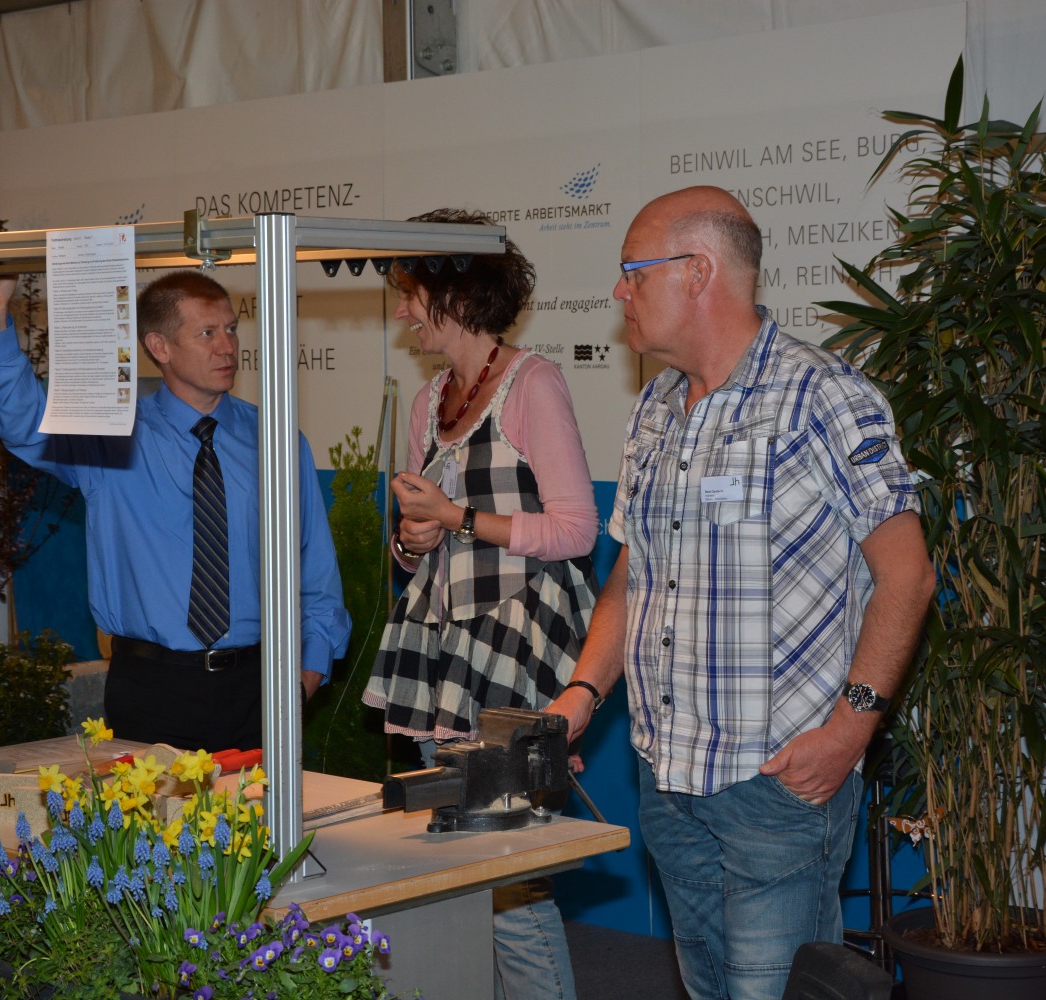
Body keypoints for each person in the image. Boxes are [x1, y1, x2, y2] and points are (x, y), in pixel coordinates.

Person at [547, 186, 935, 1000]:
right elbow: (634, 573)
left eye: (633, 272)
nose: (619, 292)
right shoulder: (654, 408)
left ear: (698, 272)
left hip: (777, 787)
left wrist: (850, 731)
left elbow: (908, 574)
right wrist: (584, 691)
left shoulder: (821, 396)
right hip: (667, 780)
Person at [362, 208, 599, 1000]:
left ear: (457, 293)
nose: (403, 311)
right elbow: (416, 548)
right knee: (457, 866)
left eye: (411, 292)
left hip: (518, 651)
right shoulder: (429, 400)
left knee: (508, 879)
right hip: (443, 652)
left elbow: (575, 530)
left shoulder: (533, 384)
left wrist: (457, 517)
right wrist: (414, 540)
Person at [0, 271, 351, 753]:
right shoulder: (111, 437)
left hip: (259, 687)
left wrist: (304, 679)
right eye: (207, 333)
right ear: (159, 346)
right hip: (151, 690)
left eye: (231, 329)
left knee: (263, 808)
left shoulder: (276, 440)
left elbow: (315, 571)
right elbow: (20, 421)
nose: (227, 347)